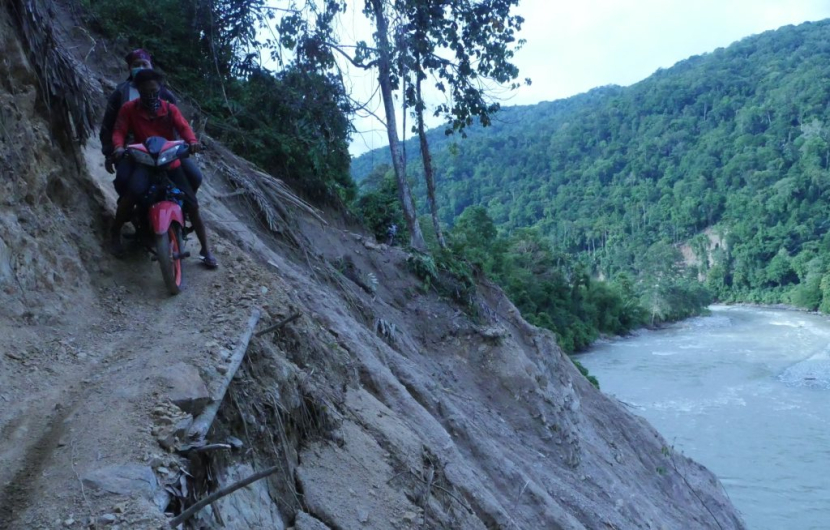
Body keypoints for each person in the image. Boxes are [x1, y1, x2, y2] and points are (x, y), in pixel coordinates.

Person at [110, 69, 218, 269]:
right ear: (138, 92)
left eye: (154, 91)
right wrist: (118, 147)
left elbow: (184, 127)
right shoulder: (129, 109)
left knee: (192, 204)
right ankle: (115, 232)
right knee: (133, 192)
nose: (151, 96)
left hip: (169, 159)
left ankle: (205, 249)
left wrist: (192, 142)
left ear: (159, 90)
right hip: (145, 160)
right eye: (145, 92)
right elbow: (119, 130)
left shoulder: (169, 109)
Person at [99, 48, 203, 198]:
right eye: (136, 64)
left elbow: (181, 124)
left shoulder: (166, 96)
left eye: (144, 64)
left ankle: (185, 205)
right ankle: (125, 212)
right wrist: (112, 151)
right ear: (129, 68)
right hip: (133, 151)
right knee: (124, 181)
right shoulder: (120, 94)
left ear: (151, 66)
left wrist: (190, 142)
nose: (141, 68)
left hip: (166, 151)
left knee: (195, 177)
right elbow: (111, 126)